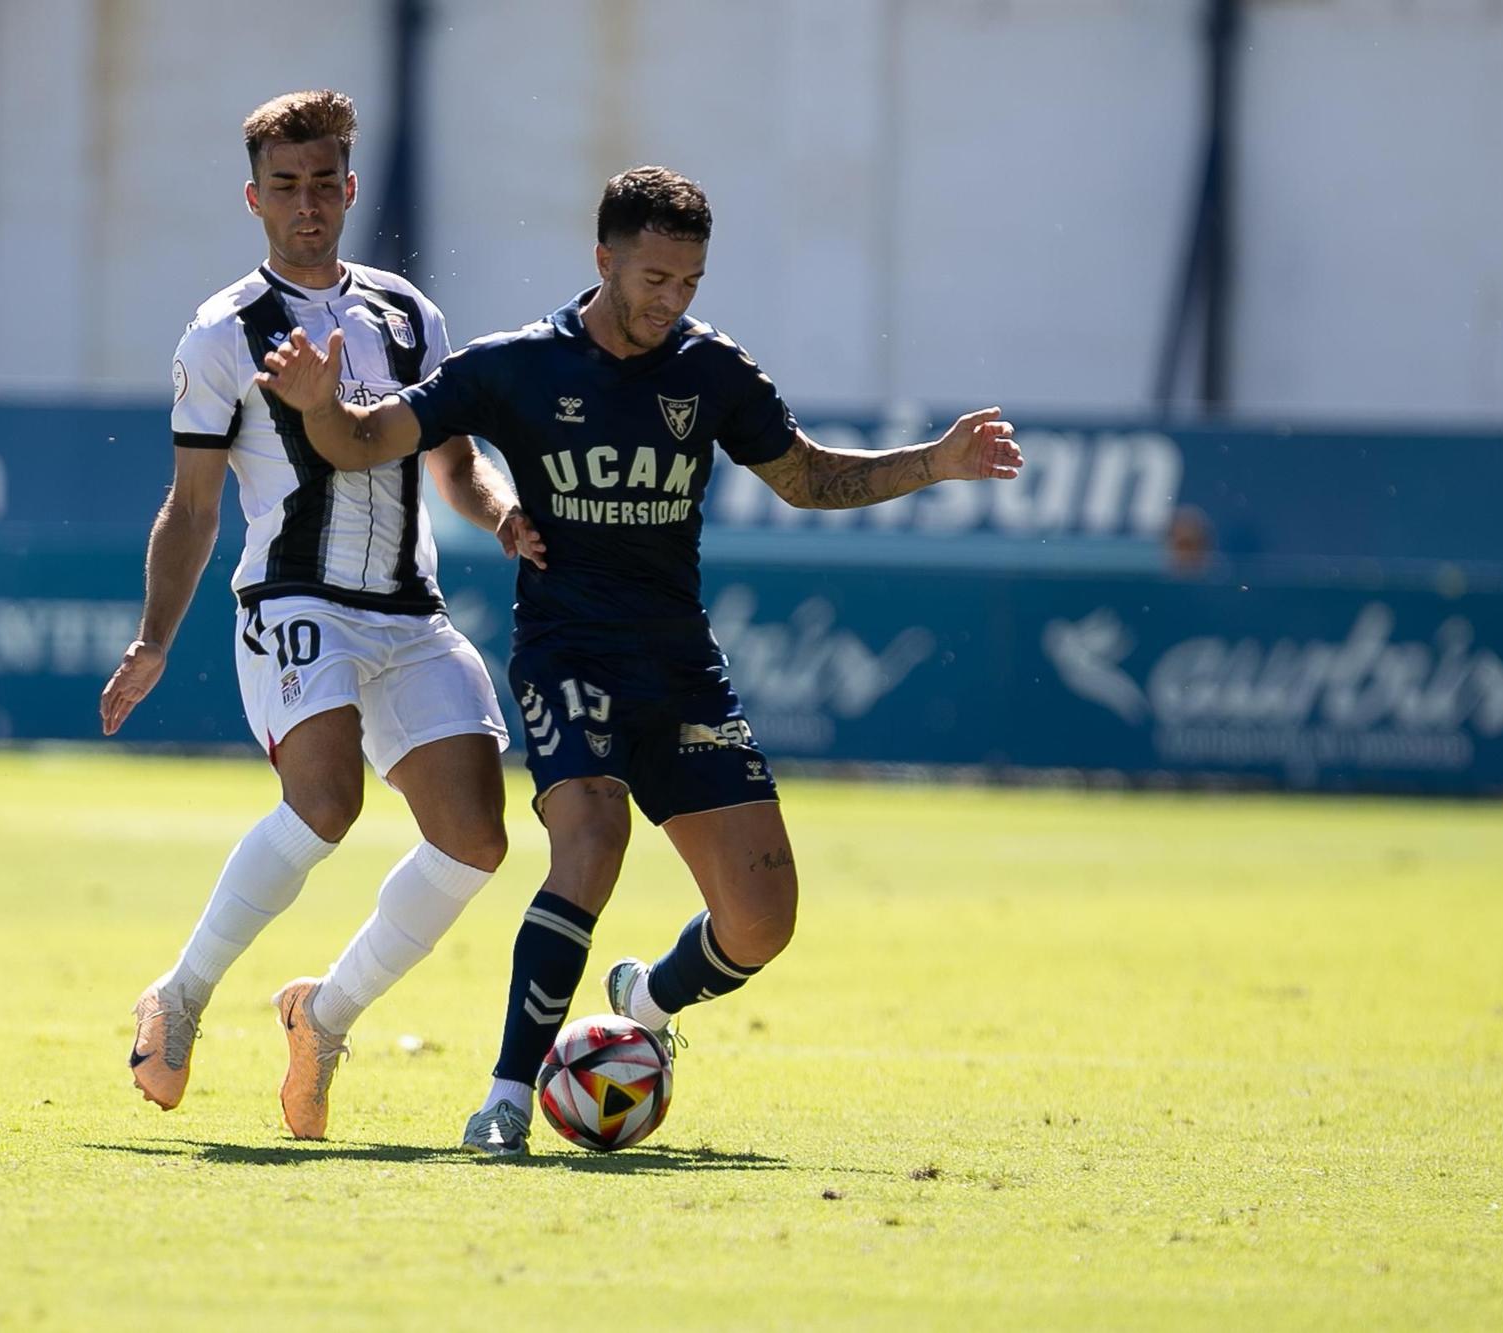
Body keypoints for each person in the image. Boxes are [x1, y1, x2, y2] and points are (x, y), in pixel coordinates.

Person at [255, 166, 1023, 1157]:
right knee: (591, 835)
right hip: (565, 647)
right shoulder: (517, 366)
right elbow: (364, 439)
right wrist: (318, 407)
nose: (671, 300)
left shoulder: (711, 373)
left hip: (678, 666)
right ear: (603, 259)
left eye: (689, 281)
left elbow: (804, 477)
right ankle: (503, 1098)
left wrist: (933, 462)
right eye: (654, 277)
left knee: (759, 921)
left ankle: (644, 998)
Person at [98, 89, 544, 1141]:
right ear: (253, 199)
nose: (306, 204)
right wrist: (153, 637)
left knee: (475, 839)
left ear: (349, 187)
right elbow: (192, 505)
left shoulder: (407, 314)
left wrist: (502, 514)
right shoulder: (220, 335)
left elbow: (452, 463)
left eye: (322, 184)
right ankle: (182, 995)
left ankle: (323, 1014)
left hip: (408, 606)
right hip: (295, 600)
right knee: (325, 803)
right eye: (284, 187)